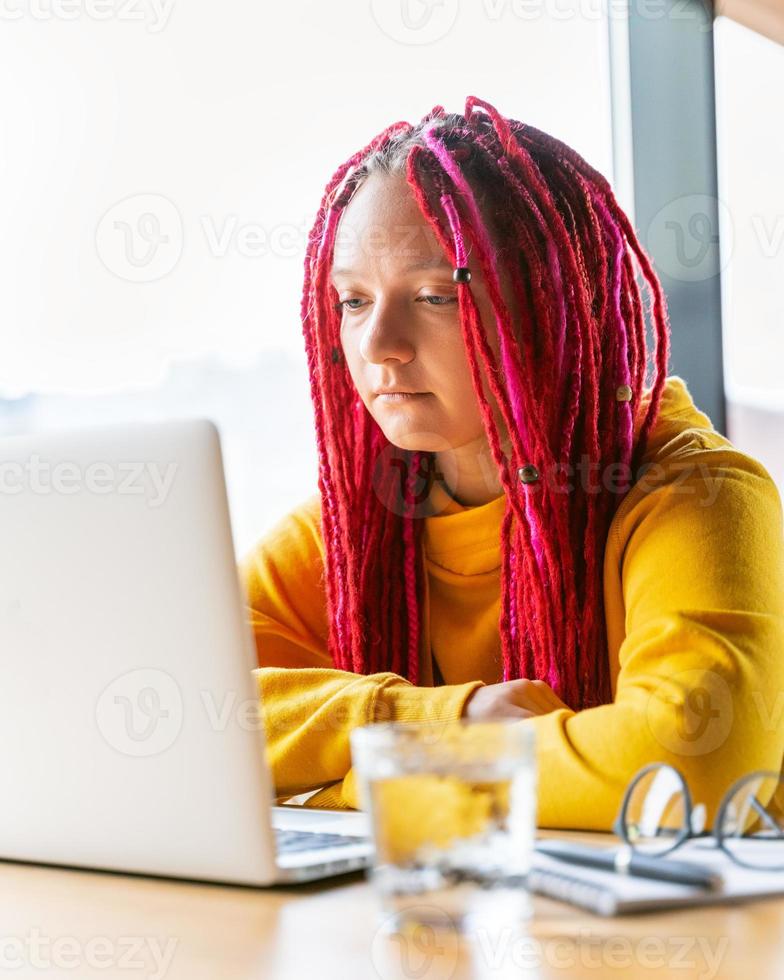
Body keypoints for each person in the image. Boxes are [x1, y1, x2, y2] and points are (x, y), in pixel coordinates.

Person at [238, 96, 784, 830]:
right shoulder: (356, 524)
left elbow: (690, 772)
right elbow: (174, 715)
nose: (377, 346)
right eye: (353, 300)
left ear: (551, 303)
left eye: (434, 296)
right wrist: (441, 718)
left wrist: (363, 779)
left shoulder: (696, 493)